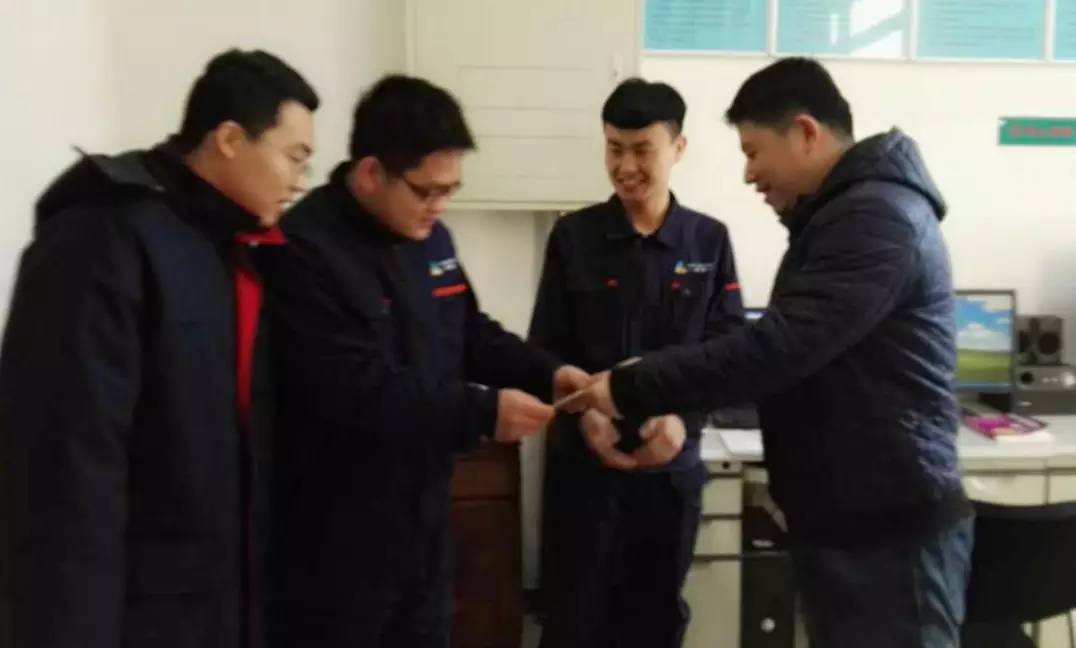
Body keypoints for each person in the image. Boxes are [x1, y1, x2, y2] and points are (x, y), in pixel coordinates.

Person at [574, 58, 973, 648]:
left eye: (754, 152)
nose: (748, 174)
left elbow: (776, 347)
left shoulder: (874, 217)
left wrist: (631, 386)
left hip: (888, 537)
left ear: (806, 133)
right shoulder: (843, 215)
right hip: (855, 523)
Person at [0, 50, 318, 648]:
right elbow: (67, 469)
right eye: (294, 157)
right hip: (135, 613)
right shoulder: (102, 236)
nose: (300, 180)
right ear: (229, 139)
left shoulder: (224, 243)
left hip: (212, 602)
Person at [261, 74, 590, 648]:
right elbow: (354, 387)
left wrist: (548, 372)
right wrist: (483, 410)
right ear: (371, 173)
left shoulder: (430, 236)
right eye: (425, 191)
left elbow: (469, 332)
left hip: (425, 518)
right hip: (335, 535)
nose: (439, 207)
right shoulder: (303, 249)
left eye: (449, 190)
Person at [528, 78, 744, 648]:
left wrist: (684, 421)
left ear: (678, 148)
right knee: (574, 620)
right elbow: (544, 347)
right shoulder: (573, 237)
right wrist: (585, 416)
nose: (625, 167)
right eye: (614, 148)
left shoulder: (708, 240)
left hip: (669, 473)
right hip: (585, 472)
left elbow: (727, 350)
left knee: (655, 620)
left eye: (642, 150)